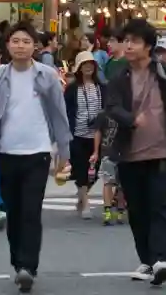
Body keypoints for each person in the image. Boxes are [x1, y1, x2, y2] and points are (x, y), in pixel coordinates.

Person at [0, 22, 71, 293]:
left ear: (35, 46)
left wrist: (64, 153)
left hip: (38, 152)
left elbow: (60, 116)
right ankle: (18, 262)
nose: (20, 46)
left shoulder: (47, 75)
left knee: (30, 211)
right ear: (7, 45)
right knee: (13, 212)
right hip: (6, 152)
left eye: (26, 41)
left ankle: (28, 266)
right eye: (15, 41)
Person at [103, 19, 166, 286]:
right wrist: (131, 119)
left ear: (148, 46)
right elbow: (112, 107)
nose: (128, 46)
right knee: (137, 210)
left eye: (134, 41)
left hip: (164, 150)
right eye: (125, 40)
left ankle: (162, 260)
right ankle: (147, 259)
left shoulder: (164, 72)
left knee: (160, 205)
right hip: (130, 153)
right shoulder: (120, 76)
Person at [64, 50, 104, 220]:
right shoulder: (72, 89)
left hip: (97, 135)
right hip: (77, 134)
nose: (88, 67)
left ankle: (82, 195)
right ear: (79, 68)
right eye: (84, 65)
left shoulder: (102, 87)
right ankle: (85, 203)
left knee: (95, 171)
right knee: (80, 169)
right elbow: (66, 111)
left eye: (91, 65)